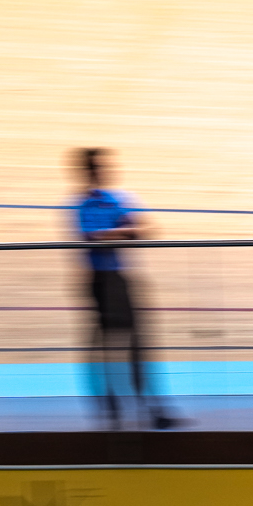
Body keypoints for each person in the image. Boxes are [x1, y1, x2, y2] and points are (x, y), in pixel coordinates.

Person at [72, 148, 182, 430]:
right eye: (95, 167)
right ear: (86, 171)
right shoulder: (81, 205)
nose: (100, 171)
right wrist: (124, 230)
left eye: (101, 166)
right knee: (108, 348)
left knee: (136, 346)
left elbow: (146, 229)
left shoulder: (118, 197)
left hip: (120, 277)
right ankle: (114, 410)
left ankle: (151, 408)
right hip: (99, 280)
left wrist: (120, 232)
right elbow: (94, 238)